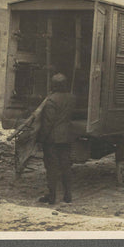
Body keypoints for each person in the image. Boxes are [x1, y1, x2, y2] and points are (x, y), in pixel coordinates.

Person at [37, 73, 77, 204]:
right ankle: (68, 196)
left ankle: (52, 197)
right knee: (66, 166)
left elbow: (48, 122)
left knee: (52, 168)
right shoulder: (72, 98)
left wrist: (41, 138)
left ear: (53, 85)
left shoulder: (51, 100)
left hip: (53, 139)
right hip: (66, 137)